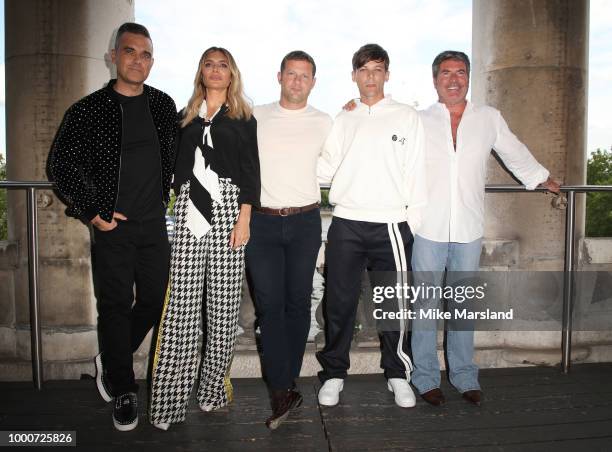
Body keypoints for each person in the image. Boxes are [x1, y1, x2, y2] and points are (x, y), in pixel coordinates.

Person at [411, 50, 560, 407]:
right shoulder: (416, 119)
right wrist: (357, 105)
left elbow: (514, 151)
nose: (453, 79)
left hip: (468, 227)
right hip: (427, 226)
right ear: (435, 80)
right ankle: (425, 378)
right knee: (425, 307)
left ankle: (464, 376)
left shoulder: (488, 117)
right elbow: (385, 142)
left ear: (468, 78)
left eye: (460, 72)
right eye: (445, 73)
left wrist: (542, 177)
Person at [48, 22, 177, 431]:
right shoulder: (87, 110)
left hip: (155, 223)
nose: (137, 60)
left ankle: (112, 354)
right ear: (113, 56)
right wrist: (92, 211)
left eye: (145, 54)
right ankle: (122, 387)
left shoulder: (163, 105)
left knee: (157, 299)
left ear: (151, 62)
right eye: (130, 52)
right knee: (115, 306)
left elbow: (193, 140)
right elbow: (60, 166)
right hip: (112, 226)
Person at [149, 46, 260, 430]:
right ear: (201, 73)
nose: (216, 70)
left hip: (230, 207)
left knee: (224, 309)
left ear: (232, 74)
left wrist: (245, 216)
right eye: (209, 65)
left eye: (223, 65)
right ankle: (168, 403)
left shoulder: (244, 118)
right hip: (188, 208)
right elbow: (172, 167)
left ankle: (213, 389)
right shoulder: (185, 117)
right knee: (181, 308)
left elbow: (251, 171)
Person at [316, 44, 427, 408]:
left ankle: (398, 374)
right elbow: (324, 168)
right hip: (346, 221)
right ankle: (333, 374)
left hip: (391, 225)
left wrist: (409, 223)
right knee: (339, 303)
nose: (370, 77)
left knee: (393, 306)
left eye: (377, 69)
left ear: (387, 75)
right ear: (354, 76)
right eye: (363, 70)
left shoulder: (407, 116)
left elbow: (417, 174)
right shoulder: (343, 118)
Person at [246, 51, 332, 429]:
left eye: (305, 76)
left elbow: (345, 155)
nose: (297, 81)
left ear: (314, 82)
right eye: (291, 74)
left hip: (305, 220)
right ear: (279, 76)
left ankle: (284, 383)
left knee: (299, 304)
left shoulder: (325, 121)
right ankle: (283, 388)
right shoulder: (255, 116)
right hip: (262, 225)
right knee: (269, 307)